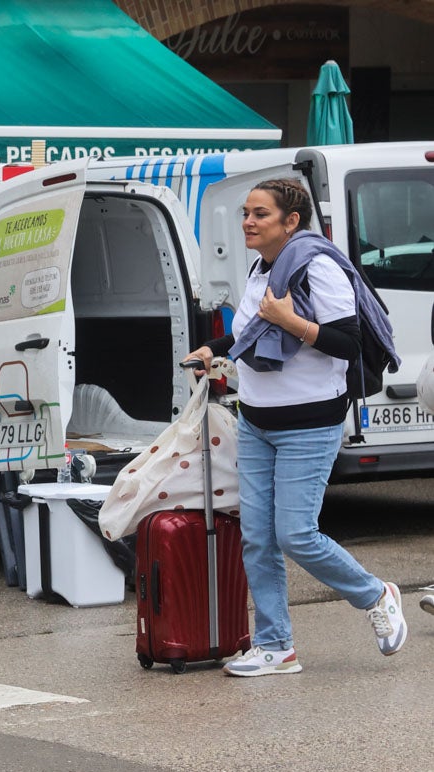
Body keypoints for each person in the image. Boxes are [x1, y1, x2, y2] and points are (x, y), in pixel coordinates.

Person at [181, 177, 406, 676]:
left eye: (260, 214)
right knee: (258, 538)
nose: (248, 221)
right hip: (257, 420)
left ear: (291, 221)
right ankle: (275, 645)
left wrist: (290, 321)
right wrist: (212, 351)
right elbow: (246, 330)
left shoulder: (318, 265)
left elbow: (347, 342)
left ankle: (376, 593)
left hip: (309, 423)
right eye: (245, 212)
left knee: (297, 535)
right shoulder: (264, 267)